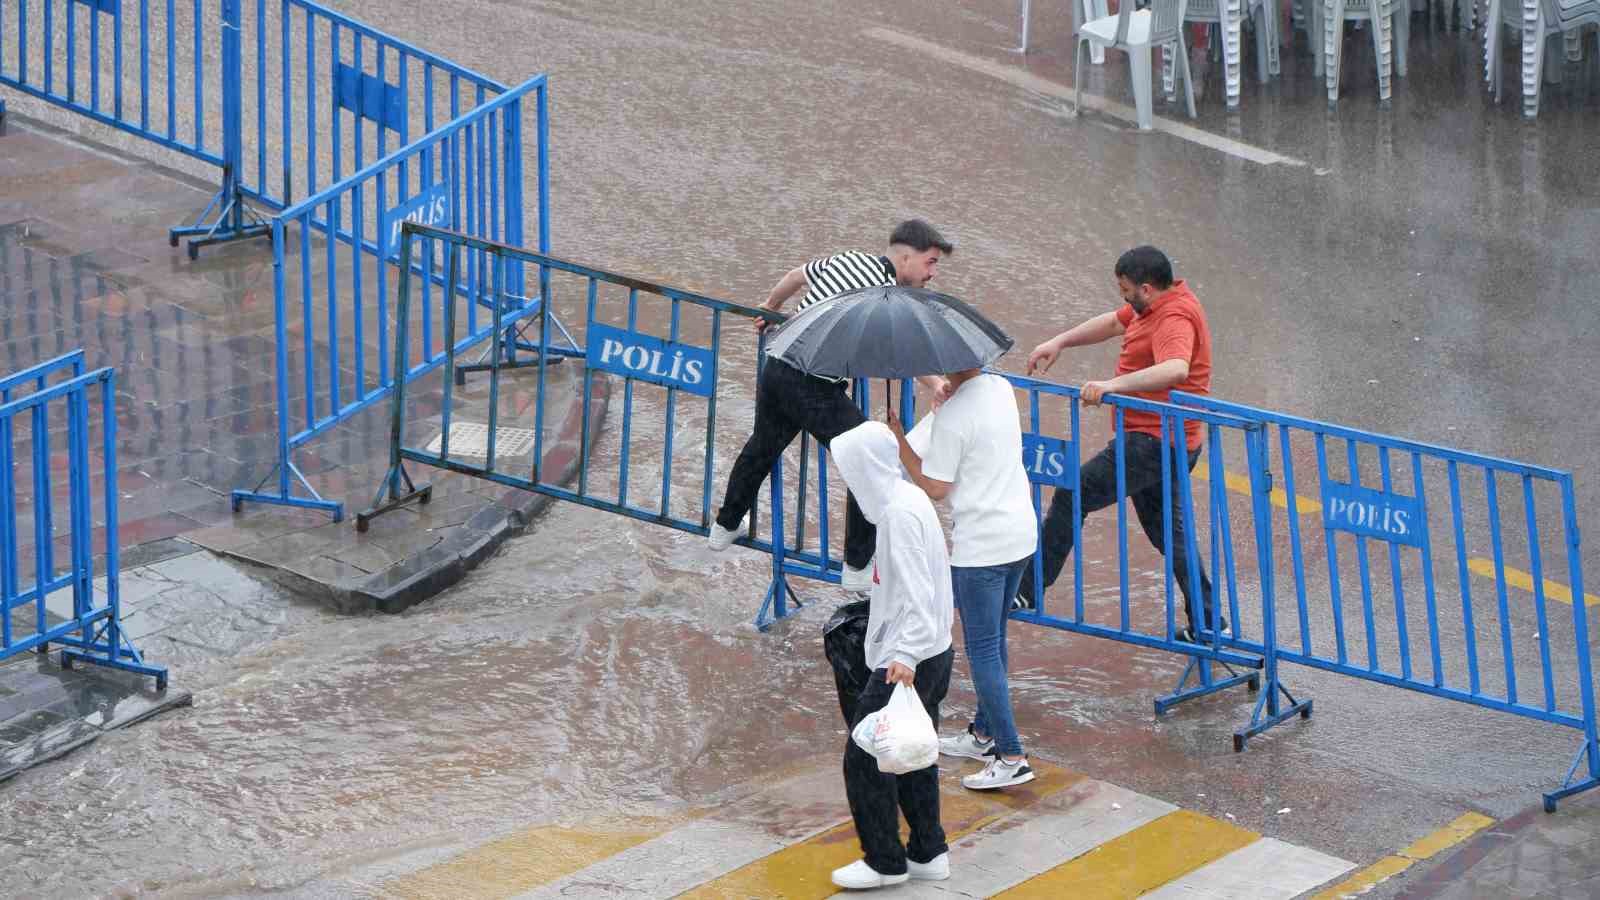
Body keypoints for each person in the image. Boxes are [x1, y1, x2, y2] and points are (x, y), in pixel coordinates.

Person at [708, 220, 955, 591]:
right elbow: (901, 355)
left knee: (761, 447)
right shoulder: (888, 296)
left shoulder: (847, 259)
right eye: (930, 262)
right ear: (906, 257)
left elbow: (796, 275)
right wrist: (937, 382)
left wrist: (772, 305)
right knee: (869, 457)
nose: (932, 273)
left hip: (778, 365)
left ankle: (724, 526)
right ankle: (857, 565)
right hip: (814, 385)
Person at [1017, 245, 1223, 642]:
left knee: (1071, 495)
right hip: (1167, 440)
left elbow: (1176, 368)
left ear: (1146, 288)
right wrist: (1059, 341)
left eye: (1125, 289)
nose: (1123, 297)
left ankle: (1028, 590)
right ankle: (1209, 623)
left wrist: (1111, 386)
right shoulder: (1158, 303)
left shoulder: (1174, 316)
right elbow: (1113, 323)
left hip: (1153, 441)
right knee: (1171, 535)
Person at [889, 365, 1039, 791]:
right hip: (1020, 535)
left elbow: (935, 486)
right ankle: (983, 735)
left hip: (983, 548)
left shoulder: (953, 415)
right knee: (996, 639)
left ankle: (1011, 755)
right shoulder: (1002, 386)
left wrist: (900, 439)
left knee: (984, 650)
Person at [828, 421, 956, 890]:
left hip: (908, 658)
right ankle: (927, 849)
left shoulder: (899, 516)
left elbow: (918, 594)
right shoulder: (906, 500)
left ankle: (884, 860)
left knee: (865, 754)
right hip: (933, 651)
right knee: (914, 753)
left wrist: (901, 655)